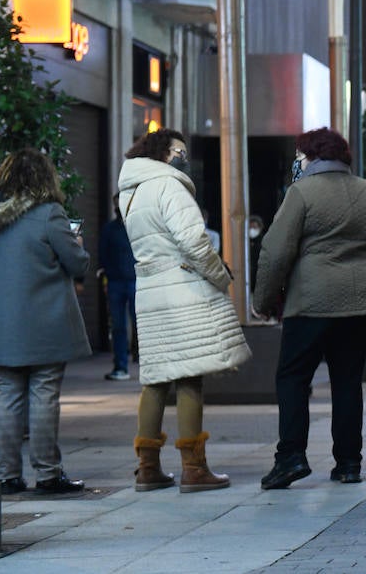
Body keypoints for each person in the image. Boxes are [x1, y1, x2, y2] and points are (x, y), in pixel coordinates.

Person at [253, 127, 366, 490]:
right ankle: (348, 463)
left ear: (311, 157)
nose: (298, 163)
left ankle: (291, 457)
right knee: (347, 381)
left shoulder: (301, 192)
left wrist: (263, 301)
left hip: (312, 301)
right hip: (361, 301)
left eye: (300, 157)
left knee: (293, 377)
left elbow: (275, 251)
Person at [118, 128, 251, 492]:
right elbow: (193, 241)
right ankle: (194, 467)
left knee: (157, 378)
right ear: (163, 153)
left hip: (149, 291)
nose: (183, 157)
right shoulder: (169, 186)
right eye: (179, 150)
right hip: (181, 291)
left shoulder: (131, 193)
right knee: (190, 376)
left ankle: (147, 467)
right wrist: (219, 275)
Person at [0, 149, 90, 495]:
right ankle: (48, 473)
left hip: (2, 320)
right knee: (44, 392)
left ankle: (6, 475)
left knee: (7, 393)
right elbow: (77, 263)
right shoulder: (48, 213)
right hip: (44, 320)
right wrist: (78, 242)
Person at [99, 193, 139, 381]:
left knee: (138, 324)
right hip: (118, 280)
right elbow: (103, 256)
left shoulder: (137, 227)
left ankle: (141, 362)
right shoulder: (110, 229)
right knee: (118, 325)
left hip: (133, 279)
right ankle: (121, 365)